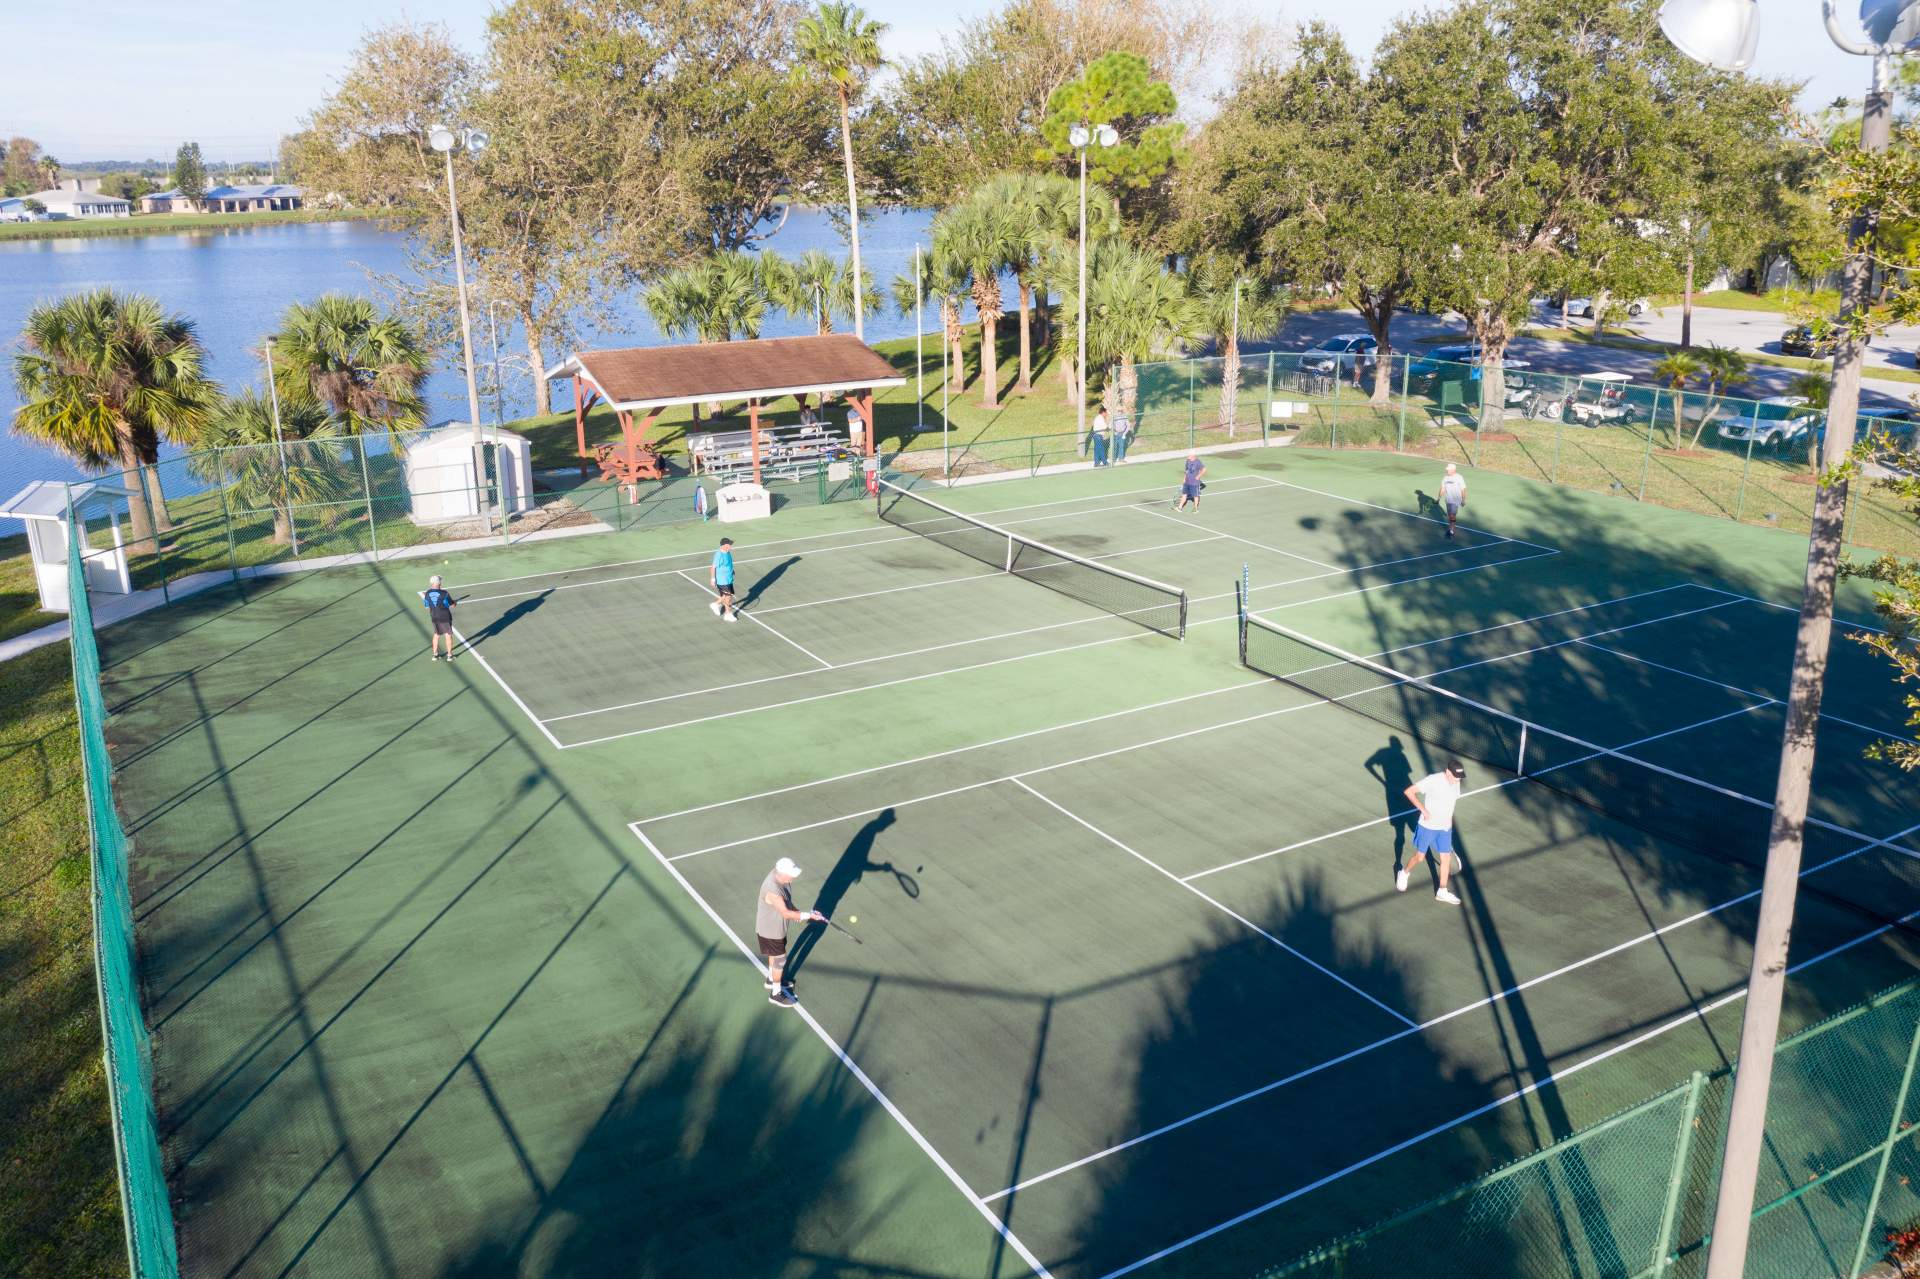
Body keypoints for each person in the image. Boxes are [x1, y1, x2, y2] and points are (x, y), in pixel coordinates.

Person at [756, 856, 825, 1006]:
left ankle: (771, 979)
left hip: (777, 928)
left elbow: (787, 904)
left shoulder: (781, 877)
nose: (794, 877)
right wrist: (808, 915)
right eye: (791, 874)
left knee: (775, 956)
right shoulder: (773, 890)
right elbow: (785, 913)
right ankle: (775, 993)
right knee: (780, 959)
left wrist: (799, 912)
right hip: (771, 931)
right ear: (782, 873)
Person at [1398, 758, 1467, 905]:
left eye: (1459, 777)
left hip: (1444, 829)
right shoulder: (1433, 780)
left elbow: (1451, 802)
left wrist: (1448, 821)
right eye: (1455, 776)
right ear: (1448, 772)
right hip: (1427, 827)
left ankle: (1442, 891)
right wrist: (1423, 810)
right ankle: (1403, 873)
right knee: (1420, 857)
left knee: (1446, 859)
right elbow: (1409, 792)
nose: (1457, 780)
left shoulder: (1456, 782)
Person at [421, 575, 457, 662]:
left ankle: (435, 655)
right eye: (440, 581)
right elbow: (453, 605)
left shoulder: (427, 593)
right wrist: (455, 602)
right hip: (445, 617)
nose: (441, 582)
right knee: (448, 635)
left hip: (434, 617)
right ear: (439, 583)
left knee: (436, 635)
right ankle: (449, 655)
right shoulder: (445, 593)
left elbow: (427, 607)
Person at [710, 536, 738, 622]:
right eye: (729, 544)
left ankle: (715, 604)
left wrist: (732, 570)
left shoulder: (728, 552)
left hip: (728, 578)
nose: (730, 546)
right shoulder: (719, 555)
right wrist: (713, 579)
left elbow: (729, 563)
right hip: (722, 580)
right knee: (728, 597)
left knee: (725, 596)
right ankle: (728, 614)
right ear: (724, 545)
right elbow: (713, 567)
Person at [1439, 463, 1468, 539]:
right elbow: (1443, 488)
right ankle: (1451, 527)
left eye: (1448, 470)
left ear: (1453, 470)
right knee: (1450, 516)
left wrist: (1463, 499)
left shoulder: (1459, 477)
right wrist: (1438, 498)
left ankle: (1451, 530)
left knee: (1452, 515)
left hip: (1456, 499)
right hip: (1448, 499)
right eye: (1447, 469)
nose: (1447, 471)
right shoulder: (1445, 478)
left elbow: (1463, 489)